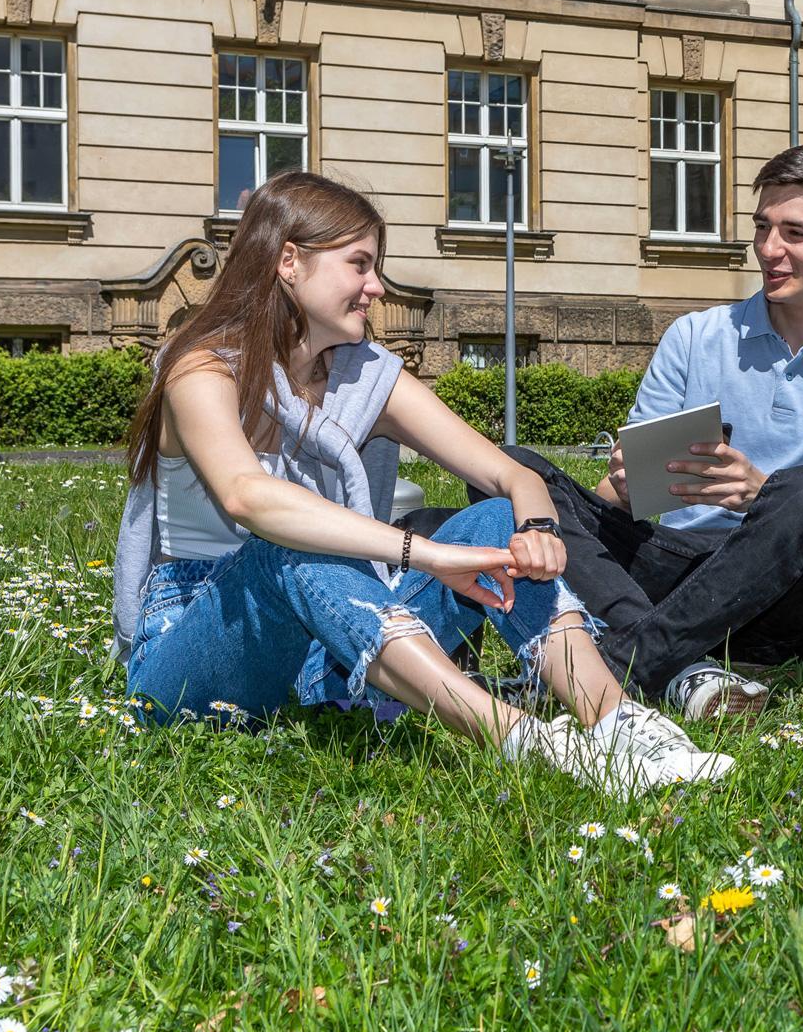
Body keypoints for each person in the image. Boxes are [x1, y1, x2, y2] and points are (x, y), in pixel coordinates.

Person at [111, 172, 732, 795]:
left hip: (331, 628)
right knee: (291, 549)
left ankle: (619, 723)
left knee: (496, 518)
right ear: (289, 261)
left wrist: (538, 528)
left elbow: (509, 472)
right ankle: (529, 741)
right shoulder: (201, 367)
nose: (375, 288)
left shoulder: (365, 378)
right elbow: (249, 497)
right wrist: (428, 554)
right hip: (192, 650)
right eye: (359, 265)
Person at [483, 143, 803, 719]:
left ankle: (620, 663)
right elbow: (616, 503)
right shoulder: (695, 336)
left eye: (795, 234)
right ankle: (668, 656)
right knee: (509, 471)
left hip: (794, 593)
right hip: (674, 566)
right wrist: (624, 488)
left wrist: (762, 494)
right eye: (762, 228)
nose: (769, 251)